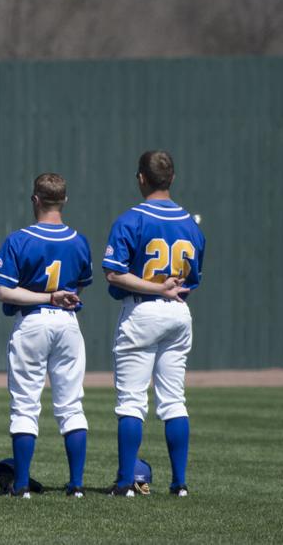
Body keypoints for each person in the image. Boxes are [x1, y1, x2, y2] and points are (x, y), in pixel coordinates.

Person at [102, 150, 205, 498]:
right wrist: (168, 288)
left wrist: (155, 287)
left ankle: (124, 484)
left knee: (131, 401)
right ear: (172, 179)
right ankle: (179, 484)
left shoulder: (131, 220)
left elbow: (114, 273)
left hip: (144, 311)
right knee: (174, 400)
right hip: (178, 312)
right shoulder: (191, 224)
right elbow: (195, 278)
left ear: (141, 179)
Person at [0, 173, 93, 499]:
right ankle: (76, 486)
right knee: (71, 405)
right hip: (67, 323)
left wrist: (46, 297)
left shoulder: (19, 239)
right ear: (64, 200)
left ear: (35, 199)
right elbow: (80, 284)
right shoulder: (79, 240)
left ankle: (20, 486)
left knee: (24, 407)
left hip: (33, 322)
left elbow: (4, 292)